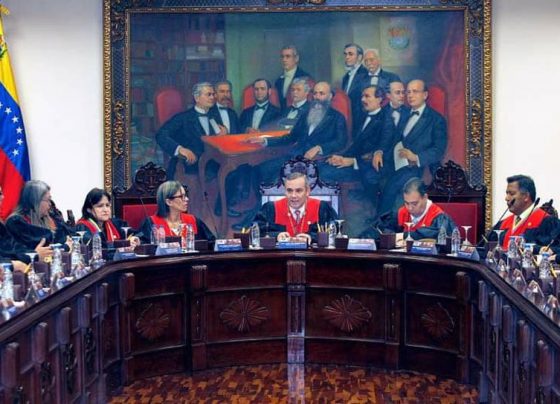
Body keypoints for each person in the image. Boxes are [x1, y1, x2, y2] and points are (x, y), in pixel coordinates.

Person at [252, 81, 347, 184]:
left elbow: (340, 142)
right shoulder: (306, 114)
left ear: (330, 96)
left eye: (321, 94)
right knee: (260, 170)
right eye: (315, 93)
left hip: (316, 161)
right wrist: (265, 141)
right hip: (294, 157)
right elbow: (291, 137)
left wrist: (319, 148)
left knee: (275, 179)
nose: (317, 97)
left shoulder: (337, 117)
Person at [376, 79, 447, 216]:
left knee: (393, 185)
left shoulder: (436, 119)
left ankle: (386, 223)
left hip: (419, 166)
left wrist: (416, 157)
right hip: (396, 162)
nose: (410, 95)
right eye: (408, 92)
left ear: (425, 95)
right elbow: (390, 138)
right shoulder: (404, 114)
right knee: (373, 176)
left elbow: (439, 150)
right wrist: (379, 151)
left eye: (415, 92)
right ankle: (381, 221)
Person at [320, 85, 388, 203]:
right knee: (320, 166)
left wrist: (352, 161)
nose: (362, 99)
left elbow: (381, 152)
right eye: (362, 96)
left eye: (367, 96)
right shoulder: (363, 117)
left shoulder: (387, 121)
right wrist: (340, 157)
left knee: (325, 173)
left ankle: (331, 207)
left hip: (367, 168)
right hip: (353, 162)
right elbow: (356, 145)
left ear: (379, 99)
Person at [155, 82, 227, 178]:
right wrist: (179, 149)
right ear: (197, 98)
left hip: (213, 164)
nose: (212, 97)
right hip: (190, 166)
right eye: (208, 94)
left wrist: (223, 135)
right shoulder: (183, 118)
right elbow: (160, 135)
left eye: (213, 94)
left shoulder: (214, 116)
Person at [253, 172, 337, 242]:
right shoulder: (270, 208)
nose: (293, 195)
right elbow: (255, 232)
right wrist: (276, 236)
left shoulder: (322, 208)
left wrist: (312, 238)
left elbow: (335, 232)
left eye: (298, 190)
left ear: (307, 191)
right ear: (285, 191)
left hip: (312, 255)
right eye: (289, 190)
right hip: (279, 255)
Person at [489, 175, 560, 250]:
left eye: (512, 194)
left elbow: (554, 250)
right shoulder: (503, 224)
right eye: (507, 194)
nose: (506, 198)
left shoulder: (547, 222)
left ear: (526, 196)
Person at [374, 177, 456, 240]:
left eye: (414, 203)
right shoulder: (401, 212)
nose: (409, 208)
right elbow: (382, 229)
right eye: (406, 203)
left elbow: (440, 236)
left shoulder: (438, 217)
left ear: (425, 198)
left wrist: (401, 236)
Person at [138, 181, 215, 244]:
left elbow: (211, 243)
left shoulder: (193, 220)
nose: (187, 199)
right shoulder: (152, 223)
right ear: (169, 202)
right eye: (182, 197)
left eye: (186, 195)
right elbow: (142, 246)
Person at [6, 180, 73, 250]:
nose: (50, 204)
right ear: (34, 201)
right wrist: (66, 246)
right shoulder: (15, 223)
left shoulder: (45, 218)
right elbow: (41, 247)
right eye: (47, 200)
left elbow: (61, 238)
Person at [0, 185, 52, 271]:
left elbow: (15, 248)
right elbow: (11, 253)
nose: (3, 197)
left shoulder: (46, 217)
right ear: (35, 200)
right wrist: (34, 255)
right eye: (48, 200)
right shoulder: (15, 222)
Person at [75, 188, 140, 247]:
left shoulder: (116, 223)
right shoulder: (82, 227)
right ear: (89, 209)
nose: (105, 210)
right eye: (100, 206)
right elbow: (95, 246)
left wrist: (134, 238)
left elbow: (138, 234)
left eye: (107, 205)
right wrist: (123, 244)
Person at [341, 43, 369, 135]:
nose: (347, 57)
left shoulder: (366, 74)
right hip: (349, 120)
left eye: (350, 54)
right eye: (345, 54)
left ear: (359, 57)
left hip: (360, 121)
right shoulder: (346, 77)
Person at [274, 45, 312, 111]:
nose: (284, 60)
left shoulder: (305, 77)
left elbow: (309, 100)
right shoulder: (278, 81)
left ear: (296, 58)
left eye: (288, 56)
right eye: (282, 57)